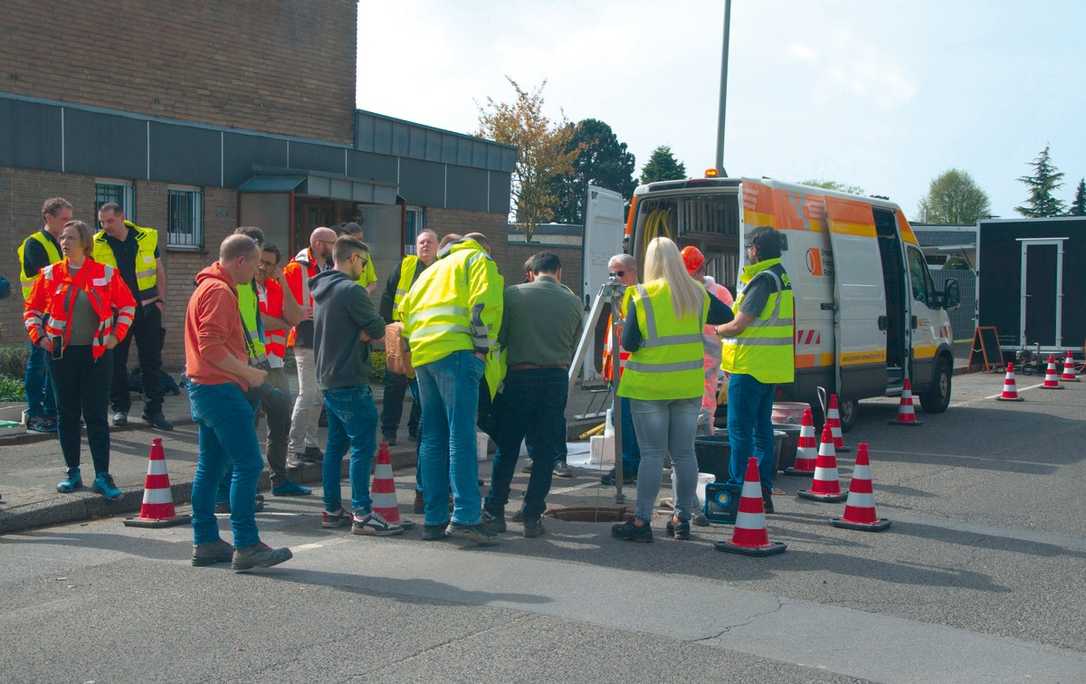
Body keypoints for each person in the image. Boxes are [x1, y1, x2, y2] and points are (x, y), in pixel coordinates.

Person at [610, 237, 733, 543]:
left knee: (651, 455)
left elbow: (630, 344)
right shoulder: (696, 293)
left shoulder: (640, 294)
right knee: (684, 454)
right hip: (687, 385)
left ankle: (641, 521)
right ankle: (682, 518)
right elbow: (726, 315)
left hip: (649, 387)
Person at [186, 234, 292, 571]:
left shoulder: (207, 286)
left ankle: (206, 541)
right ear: (241, 261)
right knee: (247, 465)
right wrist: (247, 372)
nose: (259, 270)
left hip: (203, 388)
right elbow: (211, 346)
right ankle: (246, 545)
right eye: (256, 263)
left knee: (211, 466)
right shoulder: (219, 292)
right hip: (221, 389)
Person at [400, 232, 502, 545]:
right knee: (461, 435)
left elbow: (404, 315)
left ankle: (434, 518)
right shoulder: (477, 259)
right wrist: (482, 349)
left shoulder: (429, 272)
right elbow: (486, 305)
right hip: (458, 352)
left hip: (424, 356)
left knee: (432, 436)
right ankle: (466, 517)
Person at [24, 219, 137, 500]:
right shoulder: (49, 274)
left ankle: (102, 475)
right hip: (61, 355)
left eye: (70, 238)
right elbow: (32, 310)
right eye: (62, 238)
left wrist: (115, 338)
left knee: (97, 415)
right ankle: (72, 472)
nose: (64, 242)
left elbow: (127, 306)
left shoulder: (106, 274)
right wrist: (40, 338)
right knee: (67, 413)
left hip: (97, 354)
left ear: (85, 243)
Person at [483, 252, 582, 538]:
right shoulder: (573, 302)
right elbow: (572, 343)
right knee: (544, 452)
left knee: (508, 446)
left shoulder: (512, 295)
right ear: (558, 272)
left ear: (530, 272)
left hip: (520, 377)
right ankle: (532, 515)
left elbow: (499, 338)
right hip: (555, 378)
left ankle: (495, 511)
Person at [311, 236, 403, 535]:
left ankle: (331, 509)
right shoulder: (351, 291)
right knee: (364, 445)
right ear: (352, 259)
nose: (364, 269)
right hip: (350, 377)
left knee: (336, 447)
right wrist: (366, 331)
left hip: (328, 376)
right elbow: (378, 329)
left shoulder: (321, 288)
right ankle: (363, 514)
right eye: (363, 262)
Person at [222, 227, 310, 502]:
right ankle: (238, 487)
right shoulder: (240, 285)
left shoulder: (274, 286)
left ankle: (279, 479)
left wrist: (282, 281)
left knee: (280, 421)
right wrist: (281, 322)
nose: (262, 267)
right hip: (250, 364)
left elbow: (297, 318)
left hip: (273, 363)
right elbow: (254, 319)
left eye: (269, 264)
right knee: (246, 423)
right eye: (260, 261)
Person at [716, 226, 794, 514]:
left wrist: (716, 331)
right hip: (770, 367)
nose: (747, 252)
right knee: (762, 430)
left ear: (756, 249)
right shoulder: (780, 276)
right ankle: (761, 490)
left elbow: (740, 323)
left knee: (740, 432)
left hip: (750, 366)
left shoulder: (762, 280)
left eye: (749, 248)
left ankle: (740, 490)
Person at [92, 203, 172, 431]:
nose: (105, 226)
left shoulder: (146, 236)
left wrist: (161, 301)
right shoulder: (97, 243)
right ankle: (120, 409)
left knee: (151, 361)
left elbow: (159, 270)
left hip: (147, 308)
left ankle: (154, 411)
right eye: (102, 222)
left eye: (109, 221)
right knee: (116, 362)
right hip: (117, 313)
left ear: (121, 218)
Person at [283, 227, 338, 466]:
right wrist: (295, 310)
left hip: (324, 336)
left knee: (318, 395)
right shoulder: (296, 267)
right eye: (330, 243)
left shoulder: (328, 266)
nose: (334, 248)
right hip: (305, 336)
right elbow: (283, 297)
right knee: (308, 393)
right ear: (317, 243)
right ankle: (294, 448)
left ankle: (311, 444)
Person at [379, 228, 438, 447]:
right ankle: (389, 431)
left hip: (428, 335)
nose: (425, 246)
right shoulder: (405, 266)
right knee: (394, 383)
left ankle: (416, 428)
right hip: (401, 332)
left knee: (423, 383)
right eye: (422, 242)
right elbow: (388, 294)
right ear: (416, 245)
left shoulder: (443, 269)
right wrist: (385, 327)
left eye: (430, 242)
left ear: (438, 246)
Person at [18, 197, 71, 433]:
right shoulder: (35, 244)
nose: (68, 224)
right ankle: (35, 413)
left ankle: (52, 412)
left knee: (56, 364)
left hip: (60, 314)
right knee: (39, 363)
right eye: (64, 219)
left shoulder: (64, 243)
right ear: (48, 217)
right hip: (41, 315)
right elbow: (45, 279)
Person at [680, 245, 734, 434]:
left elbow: (731, 333)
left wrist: (727, 369)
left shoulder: (719, 294)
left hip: (711, 364)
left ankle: (704, 441)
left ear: (702, 270)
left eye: (691, 273)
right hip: (685, 362)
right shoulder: (681, 292)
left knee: (705, 407)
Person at [600, 253, 642, 486]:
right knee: (620, 419)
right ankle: (629, 463)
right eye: (611, 274)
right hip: (620, 372)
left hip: (632, 372)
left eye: (620, 273)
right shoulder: (618, 298)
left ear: (633, 272)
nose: (615, 278)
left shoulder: (635, 297)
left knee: (626, 421)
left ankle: (628, 465)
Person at [339, 222, 380, 295]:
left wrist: (365, 292)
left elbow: (373, 283)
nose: (360, 243)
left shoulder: (365, 255)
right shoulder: (339, 255)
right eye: (356, 240)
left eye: (361, 240)